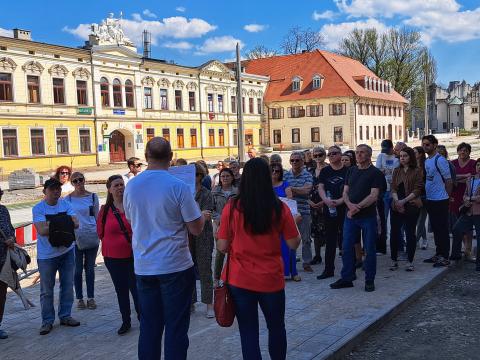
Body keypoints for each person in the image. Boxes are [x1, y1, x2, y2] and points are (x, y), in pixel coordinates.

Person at [123, 137, 204, 360]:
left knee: (149, 327)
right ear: (170, 158)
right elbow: (196, 228)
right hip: (175, 265)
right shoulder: (178, 186)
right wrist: (202, 217)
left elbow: (132, 220)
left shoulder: (132, 186)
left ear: (146, 157)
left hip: (144, 266)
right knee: (176, 327)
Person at [217, 158, 300, 360]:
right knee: (276, 327)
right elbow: (293, 244)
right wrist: (294, 224)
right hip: (270, 278)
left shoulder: (232, 207)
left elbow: (222, 246)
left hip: (240, 279)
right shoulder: (279, 208)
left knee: (248, 332)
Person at [330, 144, 384, 292]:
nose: (359, 155)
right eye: (357, 152)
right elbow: (345, 192)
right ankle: (347, 277)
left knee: (369, 249)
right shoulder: (351, 171)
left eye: (362, 153)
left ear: (369, 155)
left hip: (367, 217)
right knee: (346, 248)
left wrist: (356, 208)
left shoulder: (375, 173)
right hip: (351, 216)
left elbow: (373, 196)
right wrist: (349, 205)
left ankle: (369, 280)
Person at [33, 178, 80, 335]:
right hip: (47, 256)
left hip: (67, 251)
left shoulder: (66, 204)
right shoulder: (38, 208)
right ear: (44, 191)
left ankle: (65, 316)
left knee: (67, 286)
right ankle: (47, 321)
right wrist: (64, 222)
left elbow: (76, 223)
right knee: (46, 290)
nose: (56, 192)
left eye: (58, 189)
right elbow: (42, 231)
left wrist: (52, 224)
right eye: (52, 189)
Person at [97, 175, 139, 335]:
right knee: (121, 290)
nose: (120, 188)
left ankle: (142, 316)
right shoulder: (105, 210)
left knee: (136, 288)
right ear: (109, 189)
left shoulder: (132, 206)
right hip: (112, 258)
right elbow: (100, 232)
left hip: (132, 255)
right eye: (116, 185)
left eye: (122, 184)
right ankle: (126, 321)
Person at [66, 172, 100, 310]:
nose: (78, 183)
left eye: (80, 180)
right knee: (77, 270)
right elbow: (67, 219)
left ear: (84, 180)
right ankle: (79, 298)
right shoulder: (68, 199)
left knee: (90, 269)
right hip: (76, 238)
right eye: (75, 181)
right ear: (72, 183)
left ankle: (91, 297)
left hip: (91, 235)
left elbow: (97, 217)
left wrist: (99, 233)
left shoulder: (92, 196)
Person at [389, 147, 424, 271]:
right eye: (401, 156)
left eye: (405, 156)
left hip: (411, 205)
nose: (402, 158)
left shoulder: (417, 170)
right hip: (396, 205)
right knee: (394, 233)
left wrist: (404, 201)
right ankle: (394, 260)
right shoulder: (397, 170)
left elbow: (417, 189)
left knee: (410, 234)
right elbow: (393, 187)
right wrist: (397, 201)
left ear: (411, 157)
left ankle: (410, 261)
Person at [422, 135, 453, 267]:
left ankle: (445, 256)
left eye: (427, 144)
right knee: (435, 228)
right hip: (430, 199)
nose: (425, 147)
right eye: (423, 144)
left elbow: (449, 180)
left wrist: (447, 196)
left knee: (442, 229)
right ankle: (438, 253)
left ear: (435, 145)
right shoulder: (427, 161)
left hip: (441, 199)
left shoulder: (440, 160)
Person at [317, 146, 347, 280]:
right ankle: (328, 269)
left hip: (344, 208)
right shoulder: (325, 171)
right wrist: (325, 200)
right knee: (330, 240)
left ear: (341, 155)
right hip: (329, 209)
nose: (331, 156)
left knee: (346, 240)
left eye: (334, 153)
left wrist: (341, 201)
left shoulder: (348, 171)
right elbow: (321, 187)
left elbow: (350, 189)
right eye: (330, 154)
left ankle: (348, 270)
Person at [190, 163, 215, 318]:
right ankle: (191, 302)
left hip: (203, 236)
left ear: (199, 176)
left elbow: (206, 215)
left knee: (205, 270)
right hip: (186, 236)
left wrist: (193, 215)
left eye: (195, 175)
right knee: (188, 270)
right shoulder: (183, 192)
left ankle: (209, 304)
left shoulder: (206, 193)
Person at [284, 152, 314, 272]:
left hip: (303, 210)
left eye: (297, 160)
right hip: (288, 211)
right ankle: (290, 262)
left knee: (306, 237)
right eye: (292, 160)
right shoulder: (285, 174)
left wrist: (291, 189)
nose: (294, 162)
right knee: (289, 238)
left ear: (302, 161)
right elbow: (282, 190)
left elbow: (307, 190)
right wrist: (295, 190)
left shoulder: (307, 174)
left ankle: (307, 262)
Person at [271, 163, 301, 281]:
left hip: (284, 216)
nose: (274, 173)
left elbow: (290, 199)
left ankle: (293, 272)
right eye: (272, 170)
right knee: (275, 247)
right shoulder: (265, 186)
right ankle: (279, 273)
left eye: (277, 171)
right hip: (271, 219)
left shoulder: (285, 184)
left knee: (290, 244)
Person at [451, 158, 480, 270]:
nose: (479, 167)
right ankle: (457, 253)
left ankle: (479, 263)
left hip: (478, 212)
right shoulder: (470, 179)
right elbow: (465, 194)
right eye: (478, 165)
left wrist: (472, 198)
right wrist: (466, 199)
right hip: (468, 211)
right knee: (456, 228)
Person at [450, 143, 476, 261]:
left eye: (465, 150)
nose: (462, 152)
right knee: (456, 226)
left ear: (469, 152)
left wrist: (459, 178)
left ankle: (468, 250)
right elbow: (451, 178)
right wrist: (464, 177)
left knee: (468, 228)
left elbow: (473, 179)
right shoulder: (453, 163)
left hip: (468, 198)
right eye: (460, 150)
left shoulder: (473, 164)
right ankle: (458, 250)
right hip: (454, 197)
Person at [212, 168, 238, 285]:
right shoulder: (214, 192)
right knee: (220, 252)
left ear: (232, 177)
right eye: (223, 176)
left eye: (227, 176)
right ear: (220, 178)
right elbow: (211, 209)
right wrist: (220, 218)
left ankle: (232, 277)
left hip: (234, 224)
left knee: (234, 251)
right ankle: (216, 278)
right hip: (219, 225)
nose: (225, 178)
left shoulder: (237, 192)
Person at [376, 140, 400, 255]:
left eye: (387, 150)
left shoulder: (397, 158)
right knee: (382, 219)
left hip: (395, 190)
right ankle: (382, 246)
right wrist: (386, 171)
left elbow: (397, 172)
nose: (386, 152)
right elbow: (378, 171)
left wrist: (385, 171)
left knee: (397, 220)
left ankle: (399, 246)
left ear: (392, 148)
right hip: (384, 191)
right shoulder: (381, 156)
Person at [0, 187, 15, 339]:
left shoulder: (3, 210)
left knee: (1, 295)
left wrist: (11, 239)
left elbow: (11, 230)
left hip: (4, 261)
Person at [308, 147, 327, 265]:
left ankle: (330, 255)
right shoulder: (310, 170)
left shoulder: (330, 169)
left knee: (327, 229)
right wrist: (309, 202)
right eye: (315, 156)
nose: (318, 158)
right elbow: (306, 187)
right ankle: (317, 255)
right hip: (312, 203)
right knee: (315, 229)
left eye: (320, 155)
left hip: (326, 202)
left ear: (325, 156)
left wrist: (324, 201)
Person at [414, 146, 428, 250]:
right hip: (414, 195)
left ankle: (415, 241)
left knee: (421, 220)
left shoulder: (426, 165)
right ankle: (425, 239)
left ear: (420, 154)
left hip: (425, 195)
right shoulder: (412, 165)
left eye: (415, 152)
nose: (413, 154)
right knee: (418, 220)